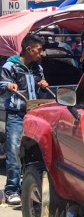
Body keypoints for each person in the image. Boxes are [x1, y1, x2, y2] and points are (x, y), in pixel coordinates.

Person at [0, 34, 50, 206]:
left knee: (34, 152)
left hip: (34, 114)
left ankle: (28, 185)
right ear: (29, 49)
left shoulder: (38, 68)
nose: (41, 54)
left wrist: (43, 85)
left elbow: (41, 93)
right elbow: (1, 86)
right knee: (14, 151)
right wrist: (7, 86)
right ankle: (11, 190)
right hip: (15, 115)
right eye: (39, 50)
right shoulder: (10, 66)